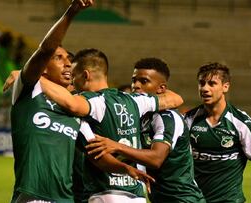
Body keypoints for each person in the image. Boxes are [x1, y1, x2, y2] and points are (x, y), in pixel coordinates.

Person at [9, 1, 153, 202]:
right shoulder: (28, 91)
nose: (68, 62)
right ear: (43, 67)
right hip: (33, 197)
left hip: (66, 199)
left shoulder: (76, 109)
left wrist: (127, 169)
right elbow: (44, 50)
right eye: (58, 58)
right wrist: (71, 12)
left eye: (68, 58)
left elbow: (97, 156)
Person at [39, 49, 184, 203]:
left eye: (74, 77)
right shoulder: (135, 100)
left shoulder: (94, 102)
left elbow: (72, 105)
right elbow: (176, 99)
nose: (72, 83)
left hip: (106, 193)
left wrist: (31, 77)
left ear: (86, 75)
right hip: (136, 194)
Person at [85, 57, 206, 203]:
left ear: (161, 88)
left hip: (183, 199)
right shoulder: (139, 115)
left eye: (144, 81)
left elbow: (156, 159)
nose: (136, 85)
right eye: (134, 80)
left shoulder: (167, 117)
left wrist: (116, 146)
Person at [183, 62, 251, 203]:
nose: (205, 88)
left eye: (212, 84)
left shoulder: (242, 123)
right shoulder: (188, 120)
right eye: (201, 83)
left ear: (225, 87)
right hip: (195, 200)